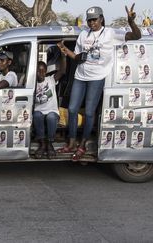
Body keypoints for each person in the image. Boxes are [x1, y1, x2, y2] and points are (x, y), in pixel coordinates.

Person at [56, 4, 141, 161]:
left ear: (101, 19)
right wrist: (66, 51)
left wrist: (131, 21)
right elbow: (76, 56)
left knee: (89, 112)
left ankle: (83, 144)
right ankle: (72, 142)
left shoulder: (110, 33)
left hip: (97, 77)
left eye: (94, 20)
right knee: (73, 109)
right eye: (89, 20)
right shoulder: (83, 35)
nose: (92, 23)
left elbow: (136, 36)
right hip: (80, 76)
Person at [33, 57, 66, 159]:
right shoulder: (32, 83)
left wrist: (63, 55)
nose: (40, 73)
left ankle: (50, 143)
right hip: (39, 111)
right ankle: (42, 144)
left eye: (43, 71)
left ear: (46, 71)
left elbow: (62, 70)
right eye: (38, 70)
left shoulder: (51, 79)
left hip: (52, 111)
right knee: (37, 115)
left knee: (51, 117)